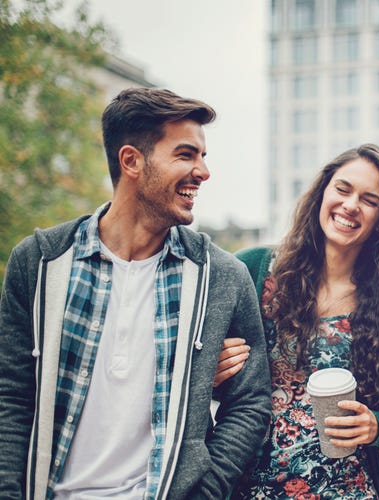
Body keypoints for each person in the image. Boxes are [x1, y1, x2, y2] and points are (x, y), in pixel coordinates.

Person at [0, 87, 271, 498]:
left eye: (203, 156)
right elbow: (11, 397)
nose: (203, 171)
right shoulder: (40, 263)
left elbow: (251, 405)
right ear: (131, 161)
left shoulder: (222, 278)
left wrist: (204, 491)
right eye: (186, 154)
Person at [228, 144, 379, 499]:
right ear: (322, 193)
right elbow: (202, 375)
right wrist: (213, 372)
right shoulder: (253, 269)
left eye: (370, 200)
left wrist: (374, 426)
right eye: (343, 189)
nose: (351, 205)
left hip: (348, 490)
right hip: (251, 488)